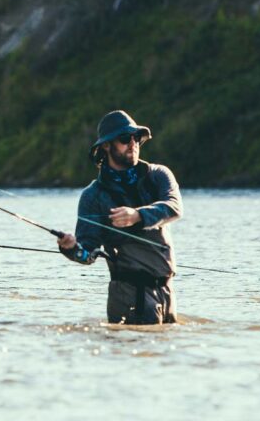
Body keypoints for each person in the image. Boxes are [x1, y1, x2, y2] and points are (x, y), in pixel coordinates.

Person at [55, 110, 183, 324]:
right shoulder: (93, 196)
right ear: (106, 146)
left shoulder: (159, 175)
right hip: (129, 294)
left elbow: (174, 207)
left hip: (167, 291)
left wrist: (138, 216)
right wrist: (70, 248)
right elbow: (88, 254)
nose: (133, 143)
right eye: (125, 138)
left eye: (136, 137)